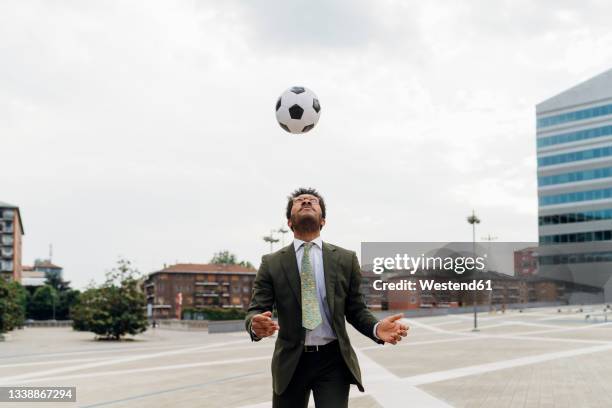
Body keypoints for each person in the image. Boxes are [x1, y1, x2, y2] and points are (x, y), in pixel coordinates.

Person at [245, 187, 409, 408]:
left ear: (323, 221)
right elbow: (256, 309)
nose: (305, 202)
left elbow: (356, 309)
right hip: (291, 362)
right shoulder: (271, 263)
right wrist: (255, 326)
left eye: (312, 201)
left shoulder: (346, 259)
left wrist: (376, 328)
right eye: (299, 201)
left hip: (333, 360)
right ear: (289, 222)